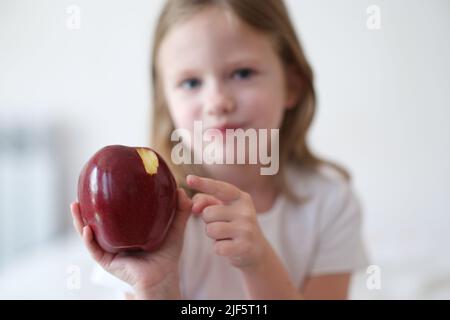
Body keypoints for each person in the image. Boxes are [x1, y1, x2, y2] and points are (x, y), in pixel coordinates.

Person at [70, 0, 369, 300]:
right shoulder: (141, 214)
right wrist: (157, 289)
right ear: (166, 103)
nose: (217, 101)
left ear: (291, 85)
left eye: (242, 73)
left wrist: (260, 263)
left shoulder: (330, 204)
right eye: (190, 82)